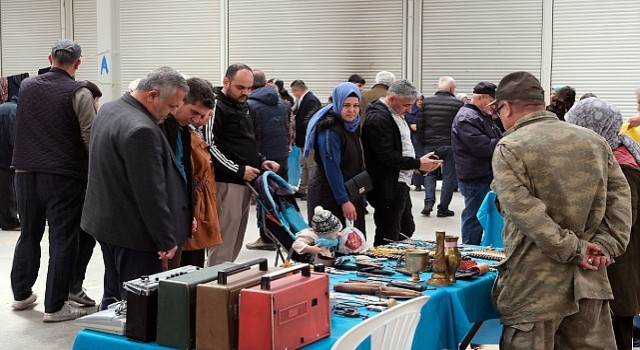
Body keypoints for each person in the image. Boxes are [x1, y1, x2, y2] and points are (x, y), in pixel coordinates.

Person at [490, 71, 631, 349]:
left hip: (534, 286)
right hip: (589, 282)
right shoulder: (594, 141)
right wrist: (605, 246)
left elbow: (527, 214)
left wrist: (576, 250)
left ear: (505, 107)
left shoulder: (511, 146)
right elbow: (620, 199)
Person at [81, 66, 190, 309]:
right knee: (138, 307)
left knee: (113, 295)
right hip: (134, 235)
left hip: (106, 223)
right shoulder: (142, 130)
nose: (173, 113)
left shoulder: (109, 108)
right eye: (172, 106)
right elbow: (150, 194)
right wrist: (165, 239)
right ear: (152, 95)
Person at [10, 39, 95, 322]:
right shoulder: (79, 91)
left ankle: (21, 294)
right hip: (63, 177)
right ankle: (55, 307)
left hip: (24, 173)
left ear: (50, 58)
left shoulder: (27, 86)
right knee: (63, 239)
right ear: (78, 63)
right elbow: (89, 137)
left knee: (29, 233)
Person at [565, 97, 640, 350]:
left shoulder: (620, 165)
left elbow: (624, 221)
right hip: (617, 261)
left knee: (615, 333)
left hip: (618, 265)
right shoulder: (617, 150)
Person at [205, 64, 279, 263]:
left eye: (249, 88)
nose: (245, 92)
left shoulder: (243, 105)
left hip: (245, 181)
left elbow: (245, 142)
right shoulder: (216, 106)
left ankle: (226, 285)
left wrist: (262, 161)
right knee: (222, 245)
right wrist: (237, 170)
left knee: (235, 241)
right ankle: (213, 289)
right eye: (240, 87)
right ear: (226, 82)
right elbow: (208, 146)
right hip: (226, 184)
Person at [362, 80, 443, 246]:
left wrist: (418, 164)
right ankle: (382, 263)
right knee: (389, 231)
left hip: (400, 181)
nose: (410, 110)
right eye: (406, 105)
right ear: (392, 99)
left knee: (405, 227)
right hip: (387, 185)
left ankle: (394, 258)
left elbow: (401, 148)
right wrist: (417, 164)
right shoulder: (379, 119)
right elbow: (387, 156)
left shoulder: (394, 114)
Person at [160, 77, 218, 268]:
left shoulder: (183, 128)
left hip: (182, 212)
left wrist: (189, 212)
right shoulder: (159, 127)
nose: (197, 120)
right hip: (165, 218)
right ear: (181, 100)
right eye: (194, 112)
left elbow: (185, 173)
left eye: (204, 116)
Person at [304, 82, 366, 234]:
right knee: (333, 247)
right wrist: (344, 200)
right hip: (329, 195)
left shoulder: (351, 125)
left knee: (353, 243)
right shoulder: (329, 131)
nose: (352, 110)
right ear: (337, 103)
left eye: (356, 105)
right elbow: (332, 169)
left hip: (348, 191)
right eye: (346, 105)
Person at [451, 81, 502, 245]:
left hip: (483, 174)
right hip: (474, 176)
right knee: (474, 218)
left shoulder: (482, 116)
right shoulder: (467, 118)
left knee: (482, 216)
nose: (494, 106)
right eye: (492, 102)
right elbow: (482, 147)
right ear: (480, 98)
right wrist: (505, 141)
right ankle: (469, 250)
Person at [68, 81, 105, 307]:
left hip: (75, 184)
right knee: (84, 238)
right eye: (95, 101)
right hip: (82, 186)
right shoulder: (86, 122)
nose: (97, 105)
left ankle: (72, 286)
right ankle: (73, 286)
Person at [246, 70, 291, 251]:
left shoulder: (250, 105)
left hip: (263, 158)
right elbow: (289, 128)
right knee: (280, 198)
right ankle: (282, 234)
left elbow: (250, 135)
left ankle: (266, 237)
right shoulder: (283, 103)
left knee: (264, 199)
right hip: (282, 157)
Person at [417, 76, 463, 217]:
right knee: (449, 177)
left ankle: (428, 203)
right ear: (450, 88)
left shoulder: (426, 103)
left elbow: (420, 125)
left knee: (429, 174)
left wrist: (422, 142)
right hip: (450, 145)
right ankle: (443, 208)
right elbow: (460, 127)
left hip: (430, 144)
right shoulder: (458, 104)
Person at [290, 79, 322, 200]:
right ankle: (303, 188)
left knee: (310, 165)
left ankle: (310, 190)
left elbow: (310, 122)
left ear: (298, 90)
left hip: (309, 140)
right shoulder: (304, 100)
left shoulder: (310, 100)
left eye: (294, 93)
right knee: (304, 164)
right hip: (304, 140)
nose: (294, 95)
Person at [0, 95, 20, 231]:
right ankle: (10, 221)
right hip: (6, 156)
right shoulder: (15, 110)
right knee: (9, 190)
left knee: (2, 190)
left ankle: (3, 220)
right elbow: (13, 136)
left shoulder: (4, 107)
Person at [405, 93, 425, 191]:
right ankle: (417, 183)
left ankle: (424, 182)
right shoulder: (409, 112)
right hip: (413, 138)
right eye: (418, 100)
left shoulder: (424, 111)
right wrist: (410, 125)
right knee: (416, 157)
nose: (420, 102)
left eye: (421, 100)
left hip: (423, 138)